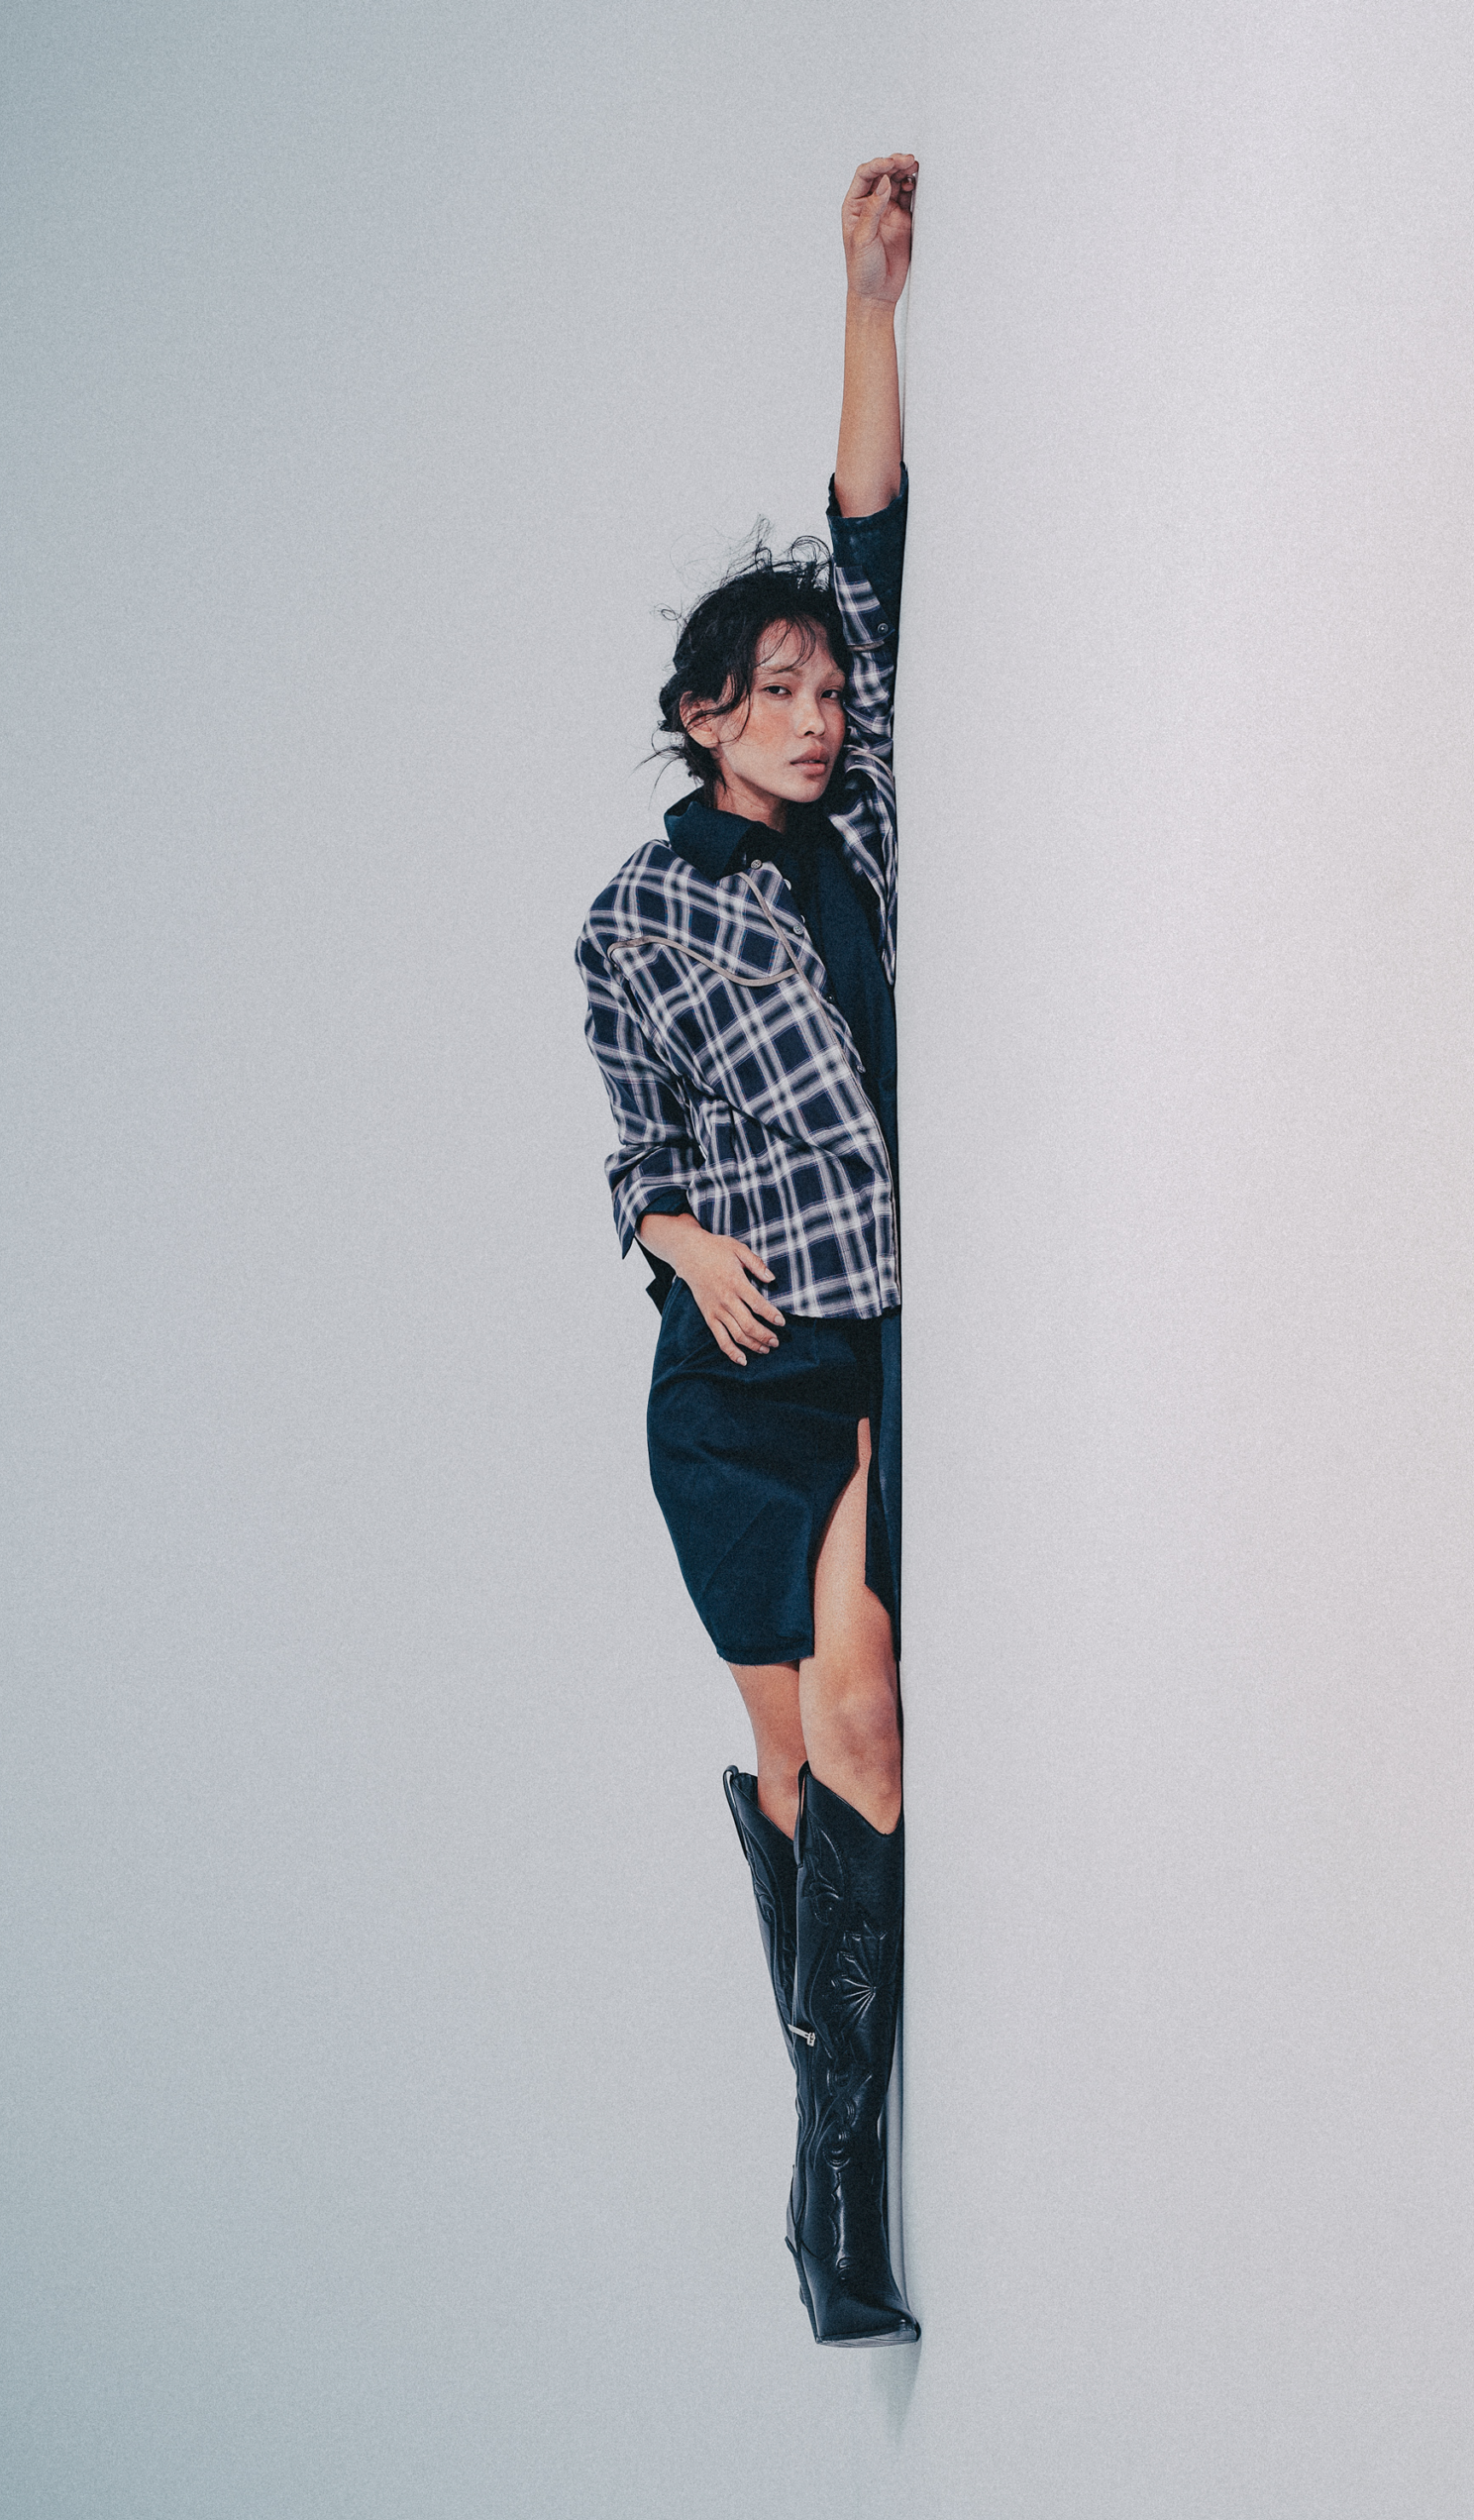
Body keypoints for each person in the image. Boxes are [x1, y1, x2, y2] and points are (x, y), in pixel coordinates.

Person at [575, 157, 920, 2346]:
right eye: (772, 690)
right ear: (705, 712)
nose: (812, 712)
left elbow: (868, 544)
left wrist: (869, 295)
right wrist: (674, 1232)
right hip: (734, 1384)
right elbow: (630, 1147)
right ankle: (836, 2208)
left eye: (821, 690)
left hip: (864, 1343)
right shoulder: (636, 916)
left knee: (864, 1723)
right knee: (813, 1768)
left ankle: (827, 2193)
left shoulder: (859, 831)